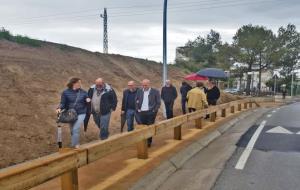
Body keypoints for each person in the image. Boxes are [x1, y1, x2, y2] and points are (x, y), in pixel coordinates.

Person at [56, 77, 90, 148]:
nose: (80, 84)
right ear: (73, 83)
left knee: (75, 129)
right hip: (71, 113)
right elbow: (63, 103)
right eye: (78, 83)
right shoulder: (65, 92)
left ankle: (75, 145)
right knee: (72, 130)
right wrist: (59, 108)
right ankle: (75, 143)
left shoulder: (83, 92)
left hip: (81, 113)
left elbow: (87, 101)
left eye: (80, 83)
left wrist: (88, 100)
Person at [136, 79, 161, 147]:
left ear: (149, 84)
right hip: (141, 112)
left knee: (149, 127)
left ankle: (149, 141)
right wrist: (138, 109)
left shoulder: (155, 91)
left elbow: (158, 102)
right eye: (143, 85)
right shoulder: (139, 91)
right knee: (143, 127)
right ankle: (144, 140)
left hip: (151, 112)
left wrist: (154, 111)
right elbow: (136, 100)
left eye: (145, 85)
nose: (144, 86)